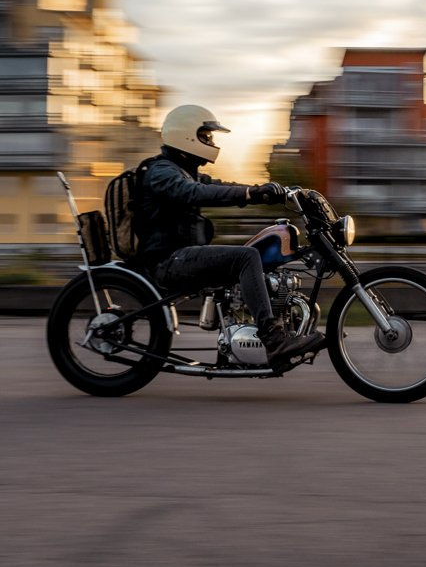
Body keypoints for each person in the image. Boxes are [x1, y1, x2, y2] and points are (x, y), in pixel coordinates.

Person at [136, 104, 325, 370]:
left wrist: (265, 192)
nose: (211, 143)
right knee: (246, 257)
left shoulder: (184, 171)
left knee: (253, 254)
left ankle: (263, 328)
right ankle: (273, 339)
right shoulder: (162, 172)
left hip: (181, 255)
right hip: (168, 260)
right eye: (205, 136)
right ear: (186, 135)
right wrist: (250, 194)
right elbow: (194, 192)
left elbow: (220, 187)